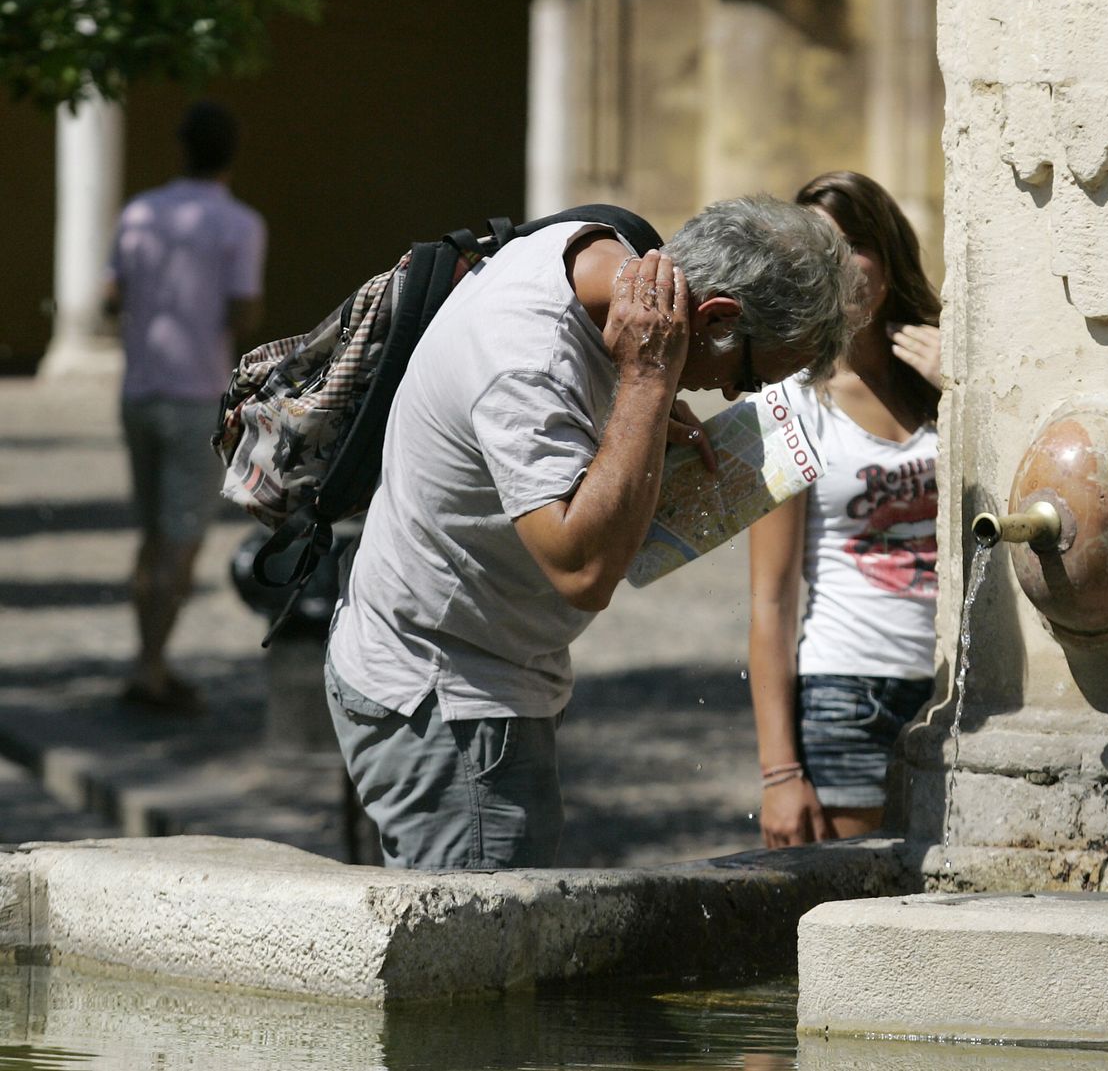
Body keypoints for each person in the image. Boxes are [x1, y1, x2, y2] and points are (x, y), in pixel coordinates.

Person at [324, 195, 858, 870]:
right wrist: (645, 381)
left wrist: (636, 413)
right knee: (485, 965)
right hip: (447, 697)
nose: (729, 397)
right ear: (716, 317)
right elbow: (581, 571)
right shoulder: (529, 357)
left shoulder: (601, 258)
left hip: (476, 674)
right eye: (746, 377)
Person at [746, 171, 942, 847]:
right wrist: (779, 773)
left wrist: (974, 387)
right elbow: (770, 602)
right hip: (846, 694)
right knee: (861, 919)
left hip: (960, 695)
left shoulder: (946, 382)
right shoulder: (786, 403)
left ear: (886, 255)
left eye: (853, 242)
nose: (838, 264)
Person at [105, 100, 267, 714]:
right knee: (182, 538)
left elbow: (110, 294)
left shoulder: (141, 211)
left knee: (152, 535)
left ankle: (149, 662)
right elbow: (243, 310)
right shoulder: (238, 224)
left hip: (139, 388)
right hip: (197, 393)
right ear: (232, 152)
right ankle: (151, 670)